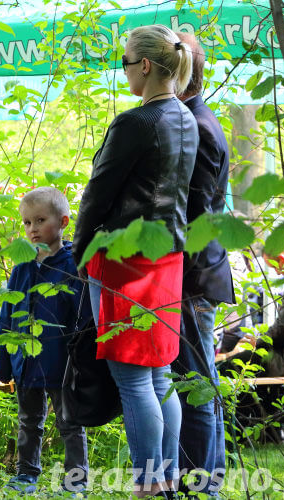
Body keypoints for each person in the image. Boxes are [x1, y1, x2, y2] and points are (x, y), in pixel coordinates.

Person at [73, 24, 197, 498]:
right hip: (167, 259)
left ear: (145, 65)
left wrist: (82, 250)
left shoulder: (136, 121)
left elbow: (96, 195)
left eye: (125, 62)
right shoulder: (185, 118)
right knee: (159, 375)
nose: (123, 71)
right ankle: (164, 481)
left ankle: (149, 485)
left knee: (132, 379)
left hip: (124, 261)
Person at [171, 32, 235, 497]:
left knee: (195, 385)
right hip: (194, 275)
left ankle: (203, 484)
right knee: (198, 379)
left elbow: (196, 216)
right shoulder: (192, 120)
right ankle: (207, 477)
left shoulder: (200, 128)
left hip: (195, 276)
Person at [0, 187, 90, 495]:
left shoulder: (73, 265)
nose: (32, 229)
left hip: (61, 362)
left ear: (62, 222)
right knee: (28, 421)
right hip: (26, 361)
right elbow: (7, 317)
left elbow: (83, 316)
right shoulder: (22, 267)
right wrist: (3, 365)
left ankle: (76, 480)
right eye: (26, 223)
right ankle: (26, 473)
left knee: (70, 422)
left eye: (39, 220)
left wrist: (84, 363)